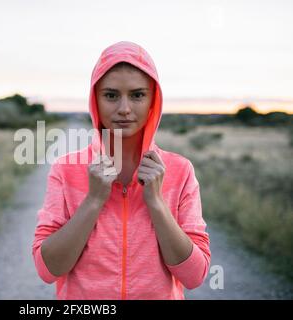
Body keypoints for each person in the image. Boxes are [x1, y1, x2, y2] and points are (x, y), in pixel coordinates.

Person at [32, 41, 211, 299]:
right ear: (95, 99)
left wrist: (157, 204)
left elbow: (195, 276)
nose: (124, 108)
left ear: (153, 101)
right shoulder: (65, 170)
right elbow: (47, 269)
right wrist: (93, 200)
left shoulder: (180, 171)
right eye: (111, 95)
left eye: (137, 95)